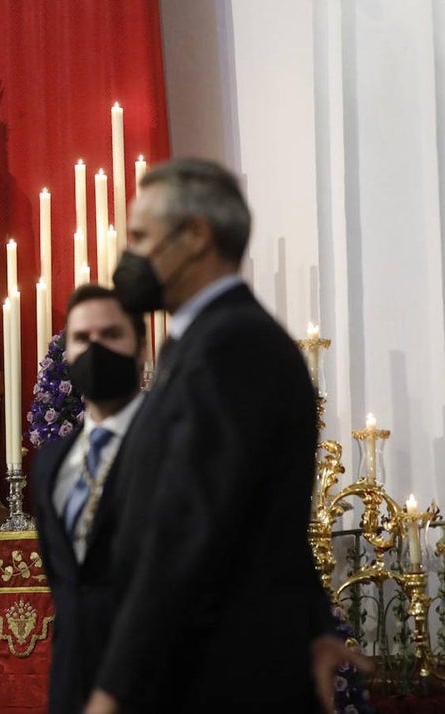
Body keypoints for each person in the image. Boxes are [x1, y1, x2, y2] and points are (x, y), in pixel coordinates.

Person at [84, 158, 372, 713]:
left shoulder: (229, 348)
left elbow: (186, 524)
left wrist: (115, 688)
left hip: (215, 679)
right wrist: (313, 624)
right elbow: (256, 515)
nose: (129, 256)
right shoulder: (206, 343)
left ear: (196, 236)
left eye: (141, 236)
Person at [30, 283, 148, 713]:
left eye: (111, 335)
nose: (95, 348)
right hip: (73, 686)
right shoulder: (49, 463)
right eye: (82, 338)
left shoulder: (179, 444)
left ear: (140, 348)